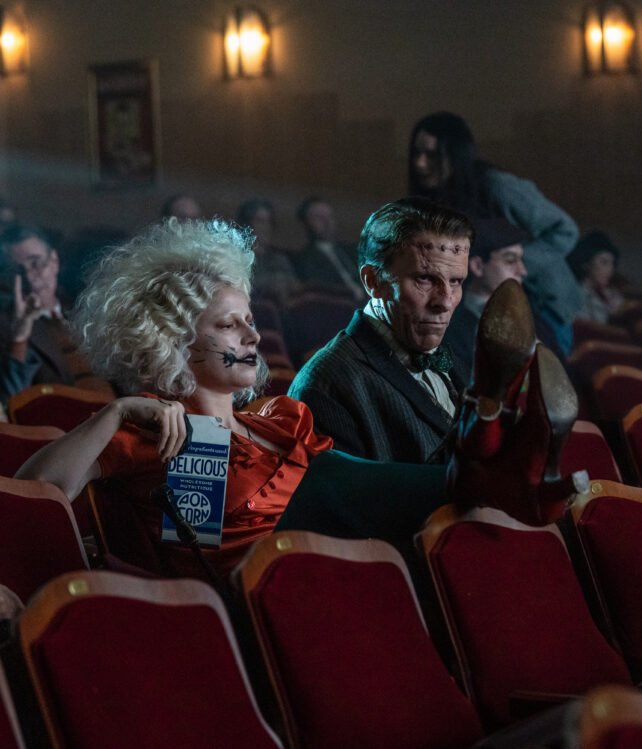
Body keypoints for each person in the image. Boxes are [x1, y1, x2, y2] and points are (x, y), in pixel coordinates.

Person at [15, 217, 584, 578]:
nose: (252, 336)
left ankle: (486, 450)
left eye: (250, 320)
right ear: (173, 341)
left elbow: (369, 497)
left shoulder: (279, 418)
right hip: (247, 583)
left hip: (330, 571)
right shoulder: (153, 432)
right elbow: (34, 493)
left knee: (356, 481)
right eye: (229, 326)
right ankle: (491, 445)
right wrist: (116, 411)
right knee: (322, 476)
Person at [287, 197, 471, 462]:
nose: (445, 301)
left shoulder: (455, 363)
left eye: (456, 281)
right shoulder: (327, 383)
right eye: (424, 279)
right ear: (373, 281)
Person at [408, 112, 581, 356]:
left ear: (456, 156)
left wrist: (508, 263)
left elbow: (565, 230)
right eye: (417, 153)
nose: (420, 164)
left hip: (545, 307)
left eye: (432, 155)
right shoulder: (432, 198)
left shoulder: (497, 186)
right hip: (487, 308)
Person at [0, 223, 113, 405]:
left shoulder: (84, 307)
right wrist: (20, 337)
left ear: (54, 261)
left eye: (36, 263)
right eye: (18, 270)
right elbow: (11, 401)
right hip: (71, 416)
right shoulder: (9, 326)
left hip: (121, 407)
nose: (30, 277)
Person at [443, 216, 565, 371]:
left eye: (520, 260)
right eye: (510, 260)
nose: (522, 271)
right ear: (478, 266)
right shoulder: (452, 326)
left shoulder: (534, 318)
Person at [290, 196, 366, 302]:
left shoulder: (352, 250)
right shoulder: (302, 259)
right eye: (319, 218)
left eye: (330, 216)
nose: (327, 222)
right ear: (306, 223)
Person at [235, 197, 297, 301]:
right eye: (260, 221)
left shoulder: (280, 260)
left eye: (269, 222)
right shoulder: (236, 260)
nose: (266, 227)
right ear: (247, 224)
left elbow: (294, 290)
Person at [567, 230, 626, 324]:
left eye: (612, 264)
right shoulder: (576, 294)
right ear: (587, 264)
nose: (610, 269)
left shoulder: (611, 295)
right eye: (604, 262)